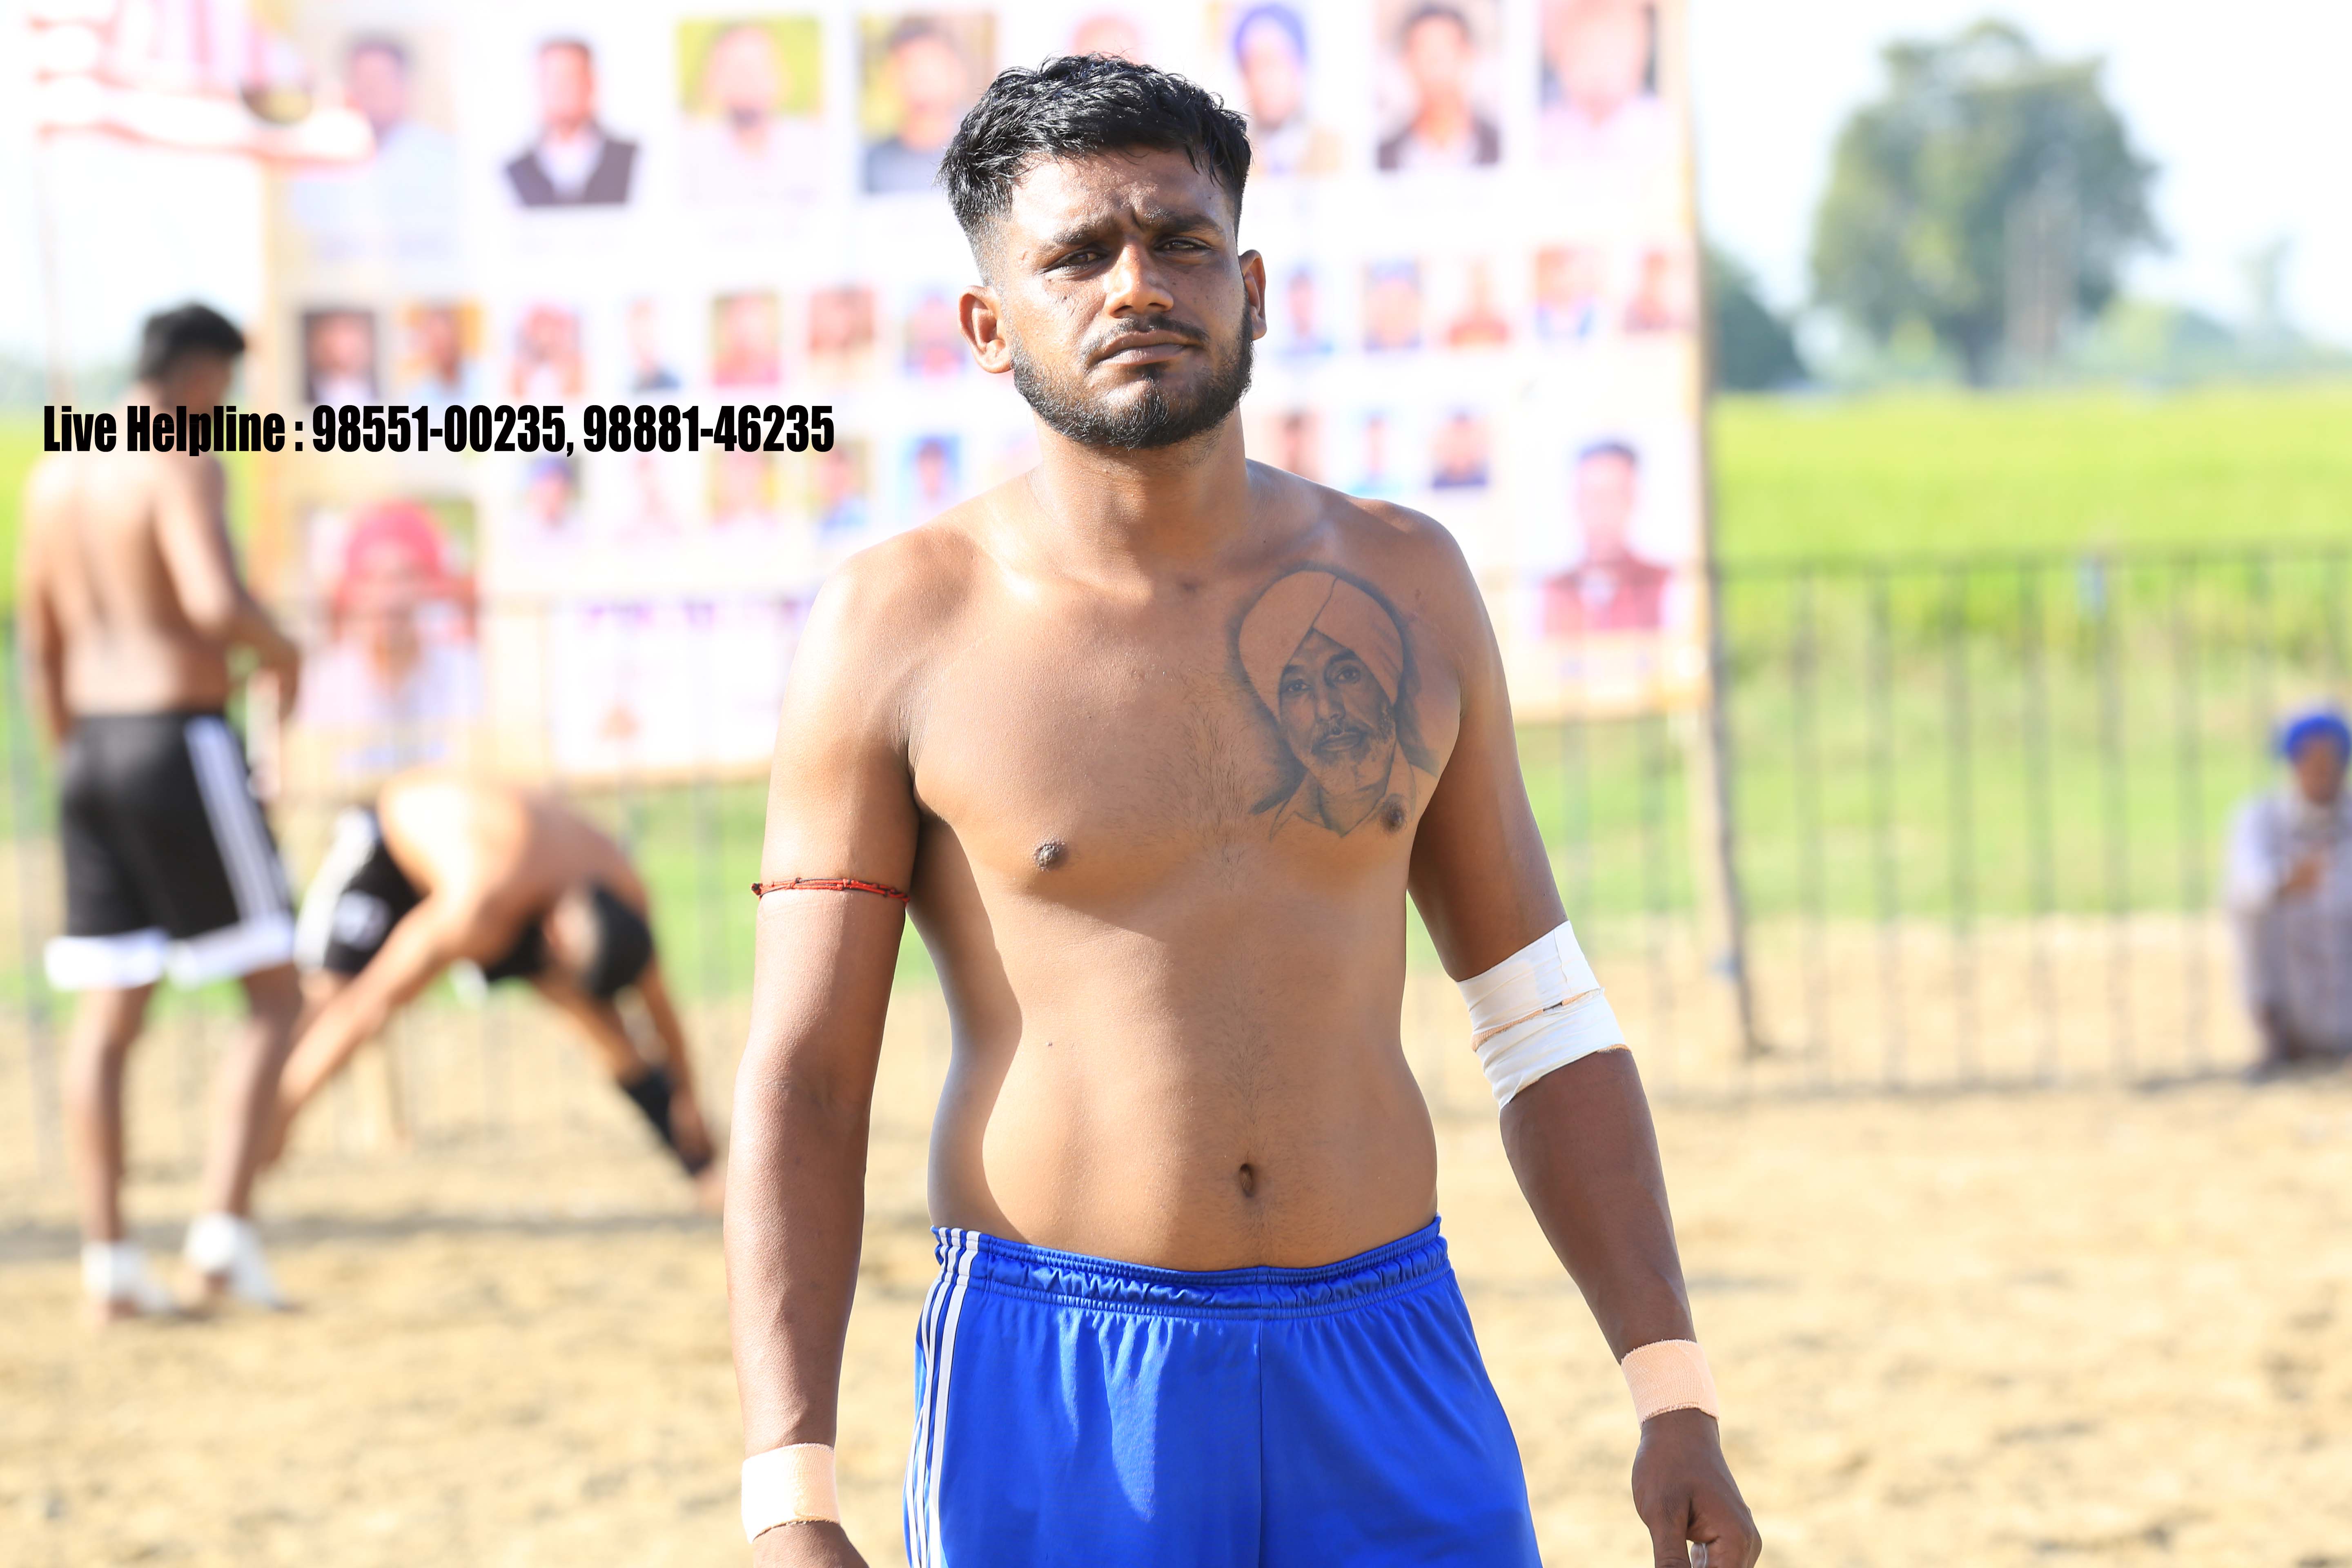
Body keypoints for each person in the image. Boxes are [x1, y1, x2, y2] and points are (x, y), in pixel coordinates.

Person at [724, 56, 1756, 1568]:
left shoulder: (1406, 583)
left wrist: (1671, 1392)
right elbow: (807, 1082)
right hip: (1064, 1382)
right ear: (988, 325)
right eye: (1078, 254)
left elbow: (1541, 1018)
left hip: (1390, 1355)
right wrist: (788, 1497)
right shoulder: (896, 626)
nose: (1138, 285)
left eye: (1181, 241)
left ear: (1252, 289)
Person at [15, 304, 305, 1321]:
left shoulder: (57, 472)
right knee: (276, 994)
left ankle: (109, 1261)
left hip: (86, 750)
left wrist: (70, 754)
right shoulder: (177, 456)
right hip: (177, 741)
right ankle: (222, 1237)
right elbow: (212, 602)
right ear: (199, 375)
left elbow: (40, 641)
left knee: (109, 1013)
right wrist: (287, 653)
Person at [272, 768, 722, 1203]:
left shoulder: (626, 897)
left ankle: (701, 1167)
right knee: (328, 1004)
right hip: (392, 845)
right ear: (555, 938)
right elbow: (367, 1005)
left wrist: (689, 1098)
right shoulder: (478, 906)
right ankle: (264, 1128)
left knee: (605, 1030)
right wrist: (285, 1112)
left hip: (520, 885)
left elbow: (661, 1009)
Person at [2225, 708, 2352, 1068]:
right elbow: (2246, 886)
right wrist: (2285, 883)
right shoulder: (2261, 818)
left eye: (2331, 761)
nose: (2323, 772)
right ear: (2294, 764)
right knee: (2249, 906)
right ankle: (2275, 1035)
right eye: (2313, 761)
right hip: (2292, 991)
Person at [684, 22, 824, 206]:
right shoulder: (689, 157)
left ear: (782, 76)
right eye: (737, 69)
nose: (749, 79)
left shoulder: (815, 148)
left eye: (758, 66)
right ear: (713, 80)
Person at [1543, 439, 1673, 634]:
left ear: (1633, 500)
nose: (1602, 510)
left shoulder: (1666, 584)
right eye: (1593, 496)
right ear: (1576, 502)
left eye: (1614, 495)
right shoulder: (1551, 591)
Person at [506, 38, 638, 207]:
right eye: (551, 80)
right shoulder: (515, 169)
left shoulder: (631, 159)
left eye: (569, 78)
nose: (559, 90)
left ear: (590, 83)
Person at [1377, 3, 1500, 172]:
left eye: (1446, 51)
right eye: (1424, 52)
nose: (1436, 66)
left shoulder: (1505, 152)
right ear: (1406, 62)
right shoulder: (1380, 161)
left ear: (1469, 56)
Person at [862, 20, 977, 194]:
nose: (920, 81)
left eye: (930, 67)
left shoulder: (986, 153)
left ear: (957, 73)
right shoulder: (872, 165)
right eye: (908, 67)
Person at [1230, 4, 1339, 178]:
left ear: (1299, 66)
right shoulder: (1233, 156)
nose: (1265, 79)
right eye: (1253, 65)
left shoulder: (1335, 151)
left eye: (1274, 62)